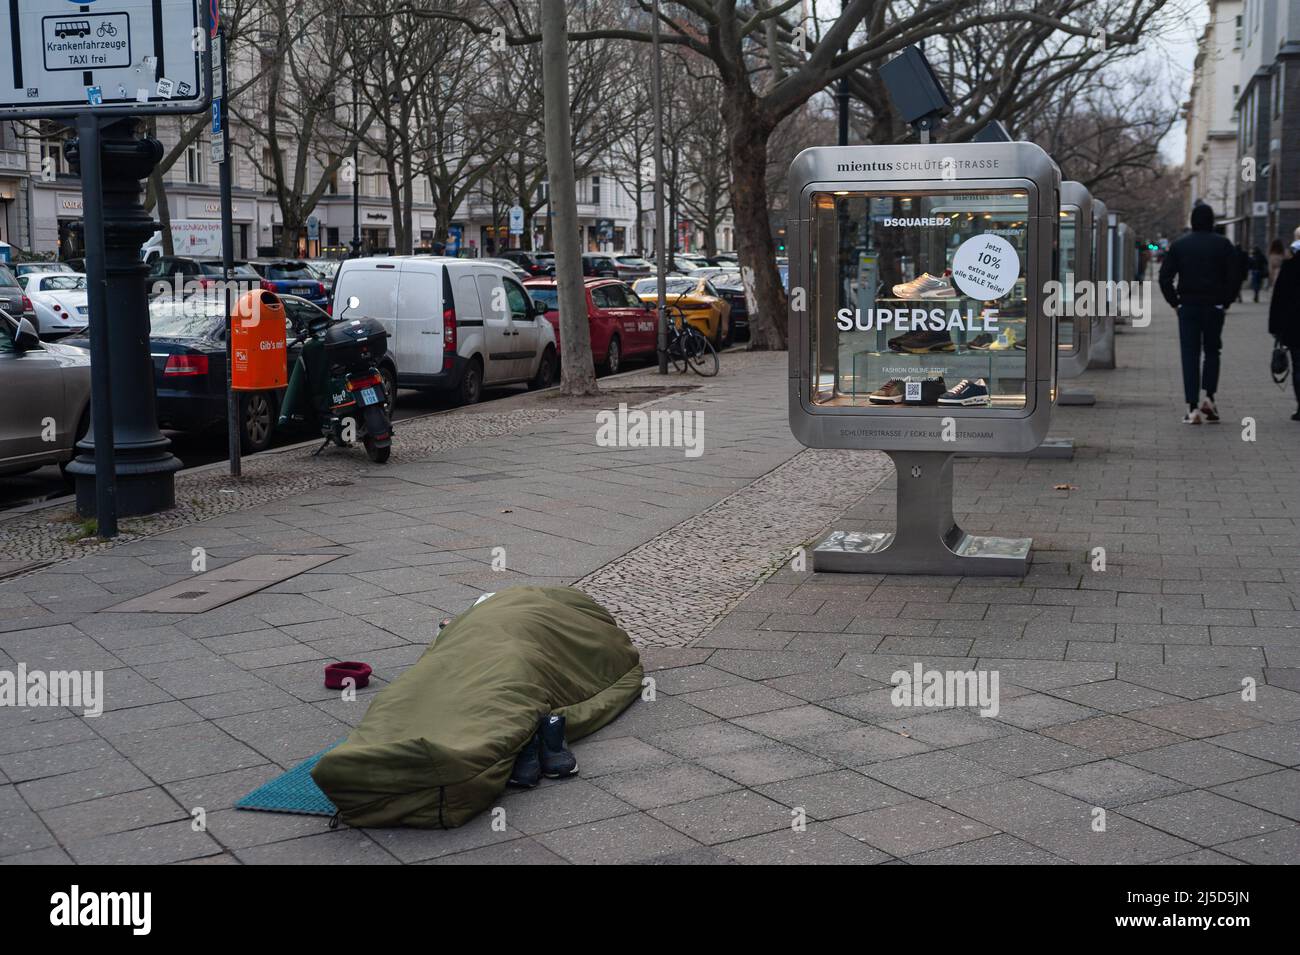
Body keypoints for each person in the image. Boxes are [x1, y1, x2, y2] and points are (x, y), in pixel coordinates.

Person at [1159, 203, 1241, 424]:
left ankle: (1192, 407)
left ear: (1192, 221)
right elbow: (1234, 277)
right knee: (1213, 351)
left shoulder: (1179, 245)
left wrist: (1175, 302)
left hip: (1188, 306)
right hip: (1214, 305)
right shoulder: (1224, 245)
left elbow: (1165, 278)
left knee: (1190, 354)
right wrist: (1225, 302)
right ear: (1212, 221)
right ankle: (1210, 397)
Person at [1270, 242, 1300, 421]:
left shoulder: (1289, 267)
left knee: (1298, 366)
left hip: (1294, 326)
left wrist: (1275, 328)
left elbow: (1278, 299)